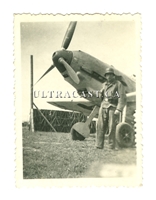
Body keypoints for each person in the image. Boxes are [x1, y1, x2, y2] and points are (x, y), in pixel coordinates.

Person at [96, 67, 127, 149]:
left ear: (113, 75)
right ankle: (99, 145)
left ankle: (111, 145)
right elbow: (101, 96)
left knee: (112, 126)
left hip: (112, 106)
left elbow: (122, 97)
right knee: (100, 126)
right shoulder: (104, 84)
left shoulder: (118, 84)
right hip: (103, 106)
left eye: (110, 75)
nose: (108, 77)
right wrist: (100, 93)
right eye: (107, 75)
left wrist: (118, 109)